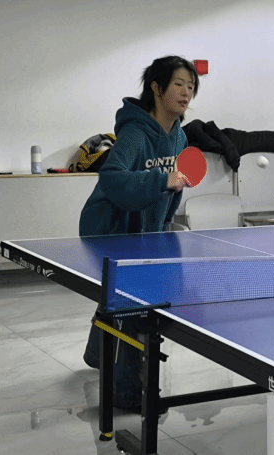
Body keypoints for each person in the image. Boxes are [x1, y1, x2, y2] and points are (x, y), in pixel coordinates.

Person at [79, 55, 199, 409]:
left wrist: (162, 228)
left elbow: (173, 189)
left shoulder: (179, 138)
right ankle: (128, 393)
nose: (186, 92)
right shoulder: (134, 132)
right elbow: (111, 177)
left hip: (144, 231)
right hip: (109, 228)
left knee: (121, 295)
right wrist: (161, 180)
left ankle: (97, 353)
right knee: (135, 305)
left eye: (191, 86)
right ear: (157, 88)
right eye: (178, 84)